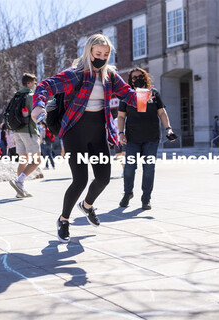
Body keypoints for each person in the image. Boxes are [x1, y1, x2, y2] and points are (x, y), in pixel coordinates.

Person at [31, 33, 137, 243]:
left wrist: (146, 96)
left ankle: (86, 206)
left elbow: (128, 94)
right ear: (89, 52)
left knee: (104, 178)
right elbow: (45, 85)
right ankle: (63, 219)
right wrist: (38, 104)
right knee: (80, 180)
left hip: (99, 132)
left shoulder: (110, 76)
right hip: (75, 132)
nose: (102, 57)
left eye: (106, 54)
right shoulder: (76, 74)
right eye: (98, 53)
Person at [117, 67, 174, 210]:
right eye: (134, 77)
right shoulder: (126, 95)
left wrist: (169, 129)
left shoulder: (153, 94)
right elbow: (121, 116)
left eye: (140, 76)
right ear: (130, 80)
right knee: (129, 168)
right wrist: (120, 133)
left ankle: (146, 198)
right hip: (132, 139)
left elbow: (161, 112)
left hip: (151, 138)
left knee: (149, 168)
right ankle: (128, 193)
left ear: (145, 77)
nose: (138, 79)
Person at [8, 73, 41, 198]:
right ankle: (19, 181)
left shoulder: (16, 95)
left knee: (23, 161)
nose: (35, 85)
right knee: (37, 161)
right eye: (34, 82)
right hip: (29, 131)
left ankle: (19, 191)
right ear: (29, 83)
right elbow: (36, 114)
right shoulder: (30, 96)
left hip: (17, 131)